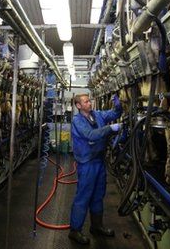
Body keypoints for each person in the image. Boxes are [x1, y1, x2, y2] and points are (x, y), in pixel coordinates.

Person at [68, 93, 123, 245]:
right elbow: (91, 135)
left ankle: (97, 226)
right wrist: (110, 128)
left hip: (98, 160)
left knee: (98, 194)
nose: (90, 103)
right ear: (78, 106)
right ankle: (75, 230)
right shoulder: (77, 121)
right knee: (84, 196)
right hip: (86, 163)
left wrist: (118, 105)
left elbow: (115, 113)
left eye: (89, 100)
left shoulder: (97, 115)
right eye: (86, 102)